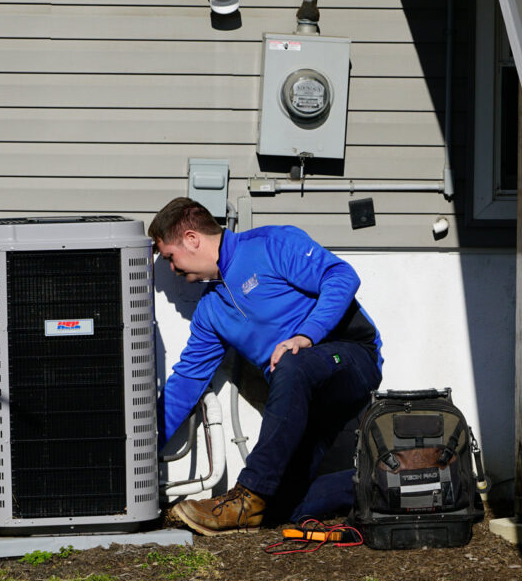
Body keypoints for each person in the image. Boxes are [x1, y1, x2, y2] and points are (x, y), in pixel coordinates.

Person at [150, 197, 383, 535]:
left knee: (291, 362)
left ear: (191, 238)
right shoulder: (210, 311)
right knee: (280, 508)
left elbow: (341, 275)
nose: (172, 269)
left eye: (170, 257)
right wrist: (140, 446)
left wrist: (306, 335)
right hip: (302, 400)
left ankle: (248, 495)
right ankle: (383, 481)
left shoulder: (270, 245)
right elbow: (187, 381)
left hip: (349, 358)